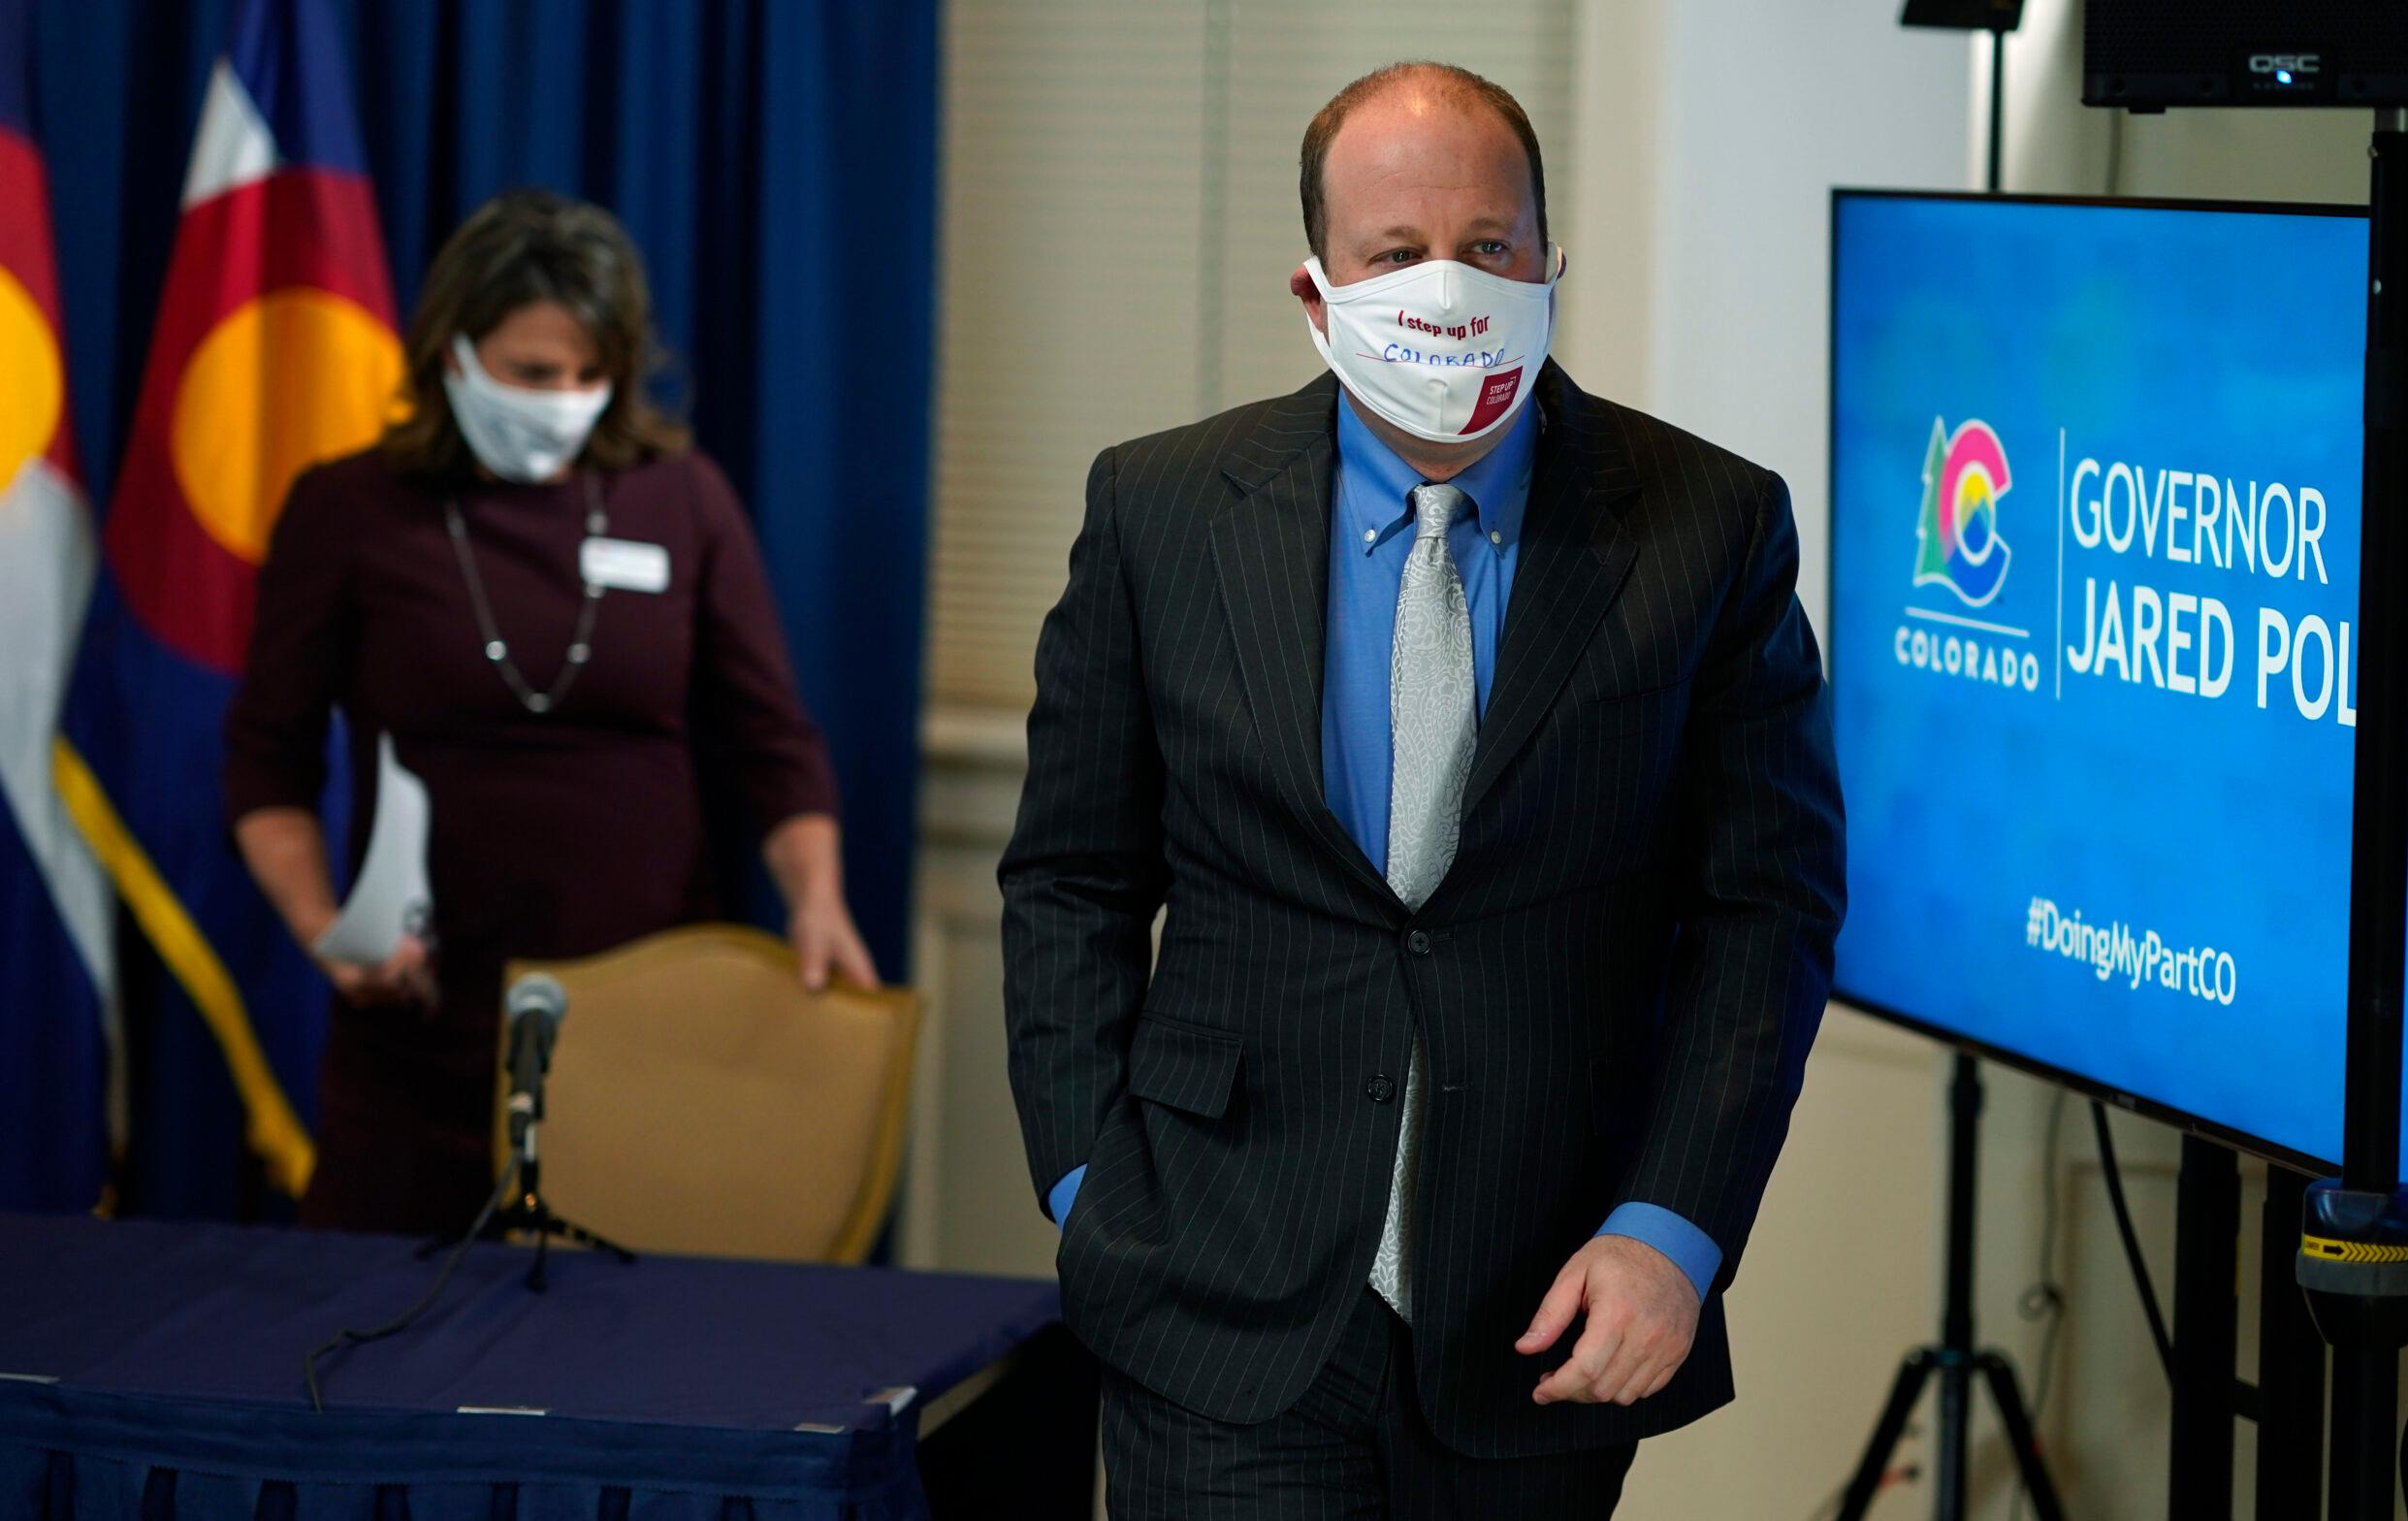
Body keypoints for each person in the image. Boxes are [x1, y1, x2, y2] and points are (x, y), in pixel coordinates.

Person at [1000, 62, 1845, 1517]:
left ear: (1549, 261)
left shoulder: (1710, 525)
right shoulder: (1161, 510)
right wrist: (1090, 1190)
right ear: (1319, 292)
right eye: (1397, 254)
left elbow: (1767, 912)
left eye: (1490, 245)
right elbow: (1069, 878)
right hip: (1212, 1281)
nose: (1449, 286)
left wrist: (1675, 1230)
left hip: (1547, 1306)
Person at [228, 189, 877, 1238]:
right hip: (420, 1021)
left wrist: (816, 893)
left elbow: (773, 739)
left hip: (644, 1017)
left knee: (625, 1340)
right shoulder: (349, 507)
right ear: (452, 353)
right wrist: (319, 923)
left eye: (590, 374)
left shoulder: (681, 496)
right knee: (387, 1336)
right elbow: (267, 756)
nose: (564, 399)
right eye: (533, 373)